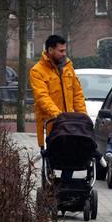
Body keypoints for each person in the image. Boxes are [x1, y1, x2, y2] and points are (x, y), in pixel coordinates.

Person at [30, 35, 87, 180]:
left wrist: (83, 117)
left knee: (72, 157)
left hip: (69, 124)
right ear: (50, 50)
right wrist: (58, 115)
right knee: (51, 156)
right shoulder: (37, 71)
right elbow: (42, 97)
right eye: (61, 51)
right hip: (50, 123)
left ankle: (65, 184)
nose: (64, 53)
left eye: (64, 50)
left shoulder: (68, 67)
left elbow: (77, 94)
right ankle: (50, 185)